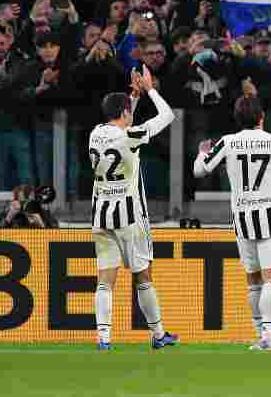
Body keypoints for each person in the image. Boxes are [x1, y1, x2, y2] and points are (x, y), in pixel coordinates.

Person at [193, 95, 271, 351]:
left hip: (243, 217)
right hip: (270, 215)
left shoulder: (228, 142)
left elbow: (199, 170)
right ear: (262, 117)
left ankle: (260, 333)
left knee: (253, 279)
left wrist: (202, 153)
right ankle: (268, 335)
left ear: (237, 119)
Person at [89, 66, 178, 351]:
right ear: (125, 113)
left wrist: (133, 99)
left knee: (105, 279)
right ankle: (158, 333)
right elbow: (167, 116)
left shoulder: (95, 133)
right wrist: (150, 90)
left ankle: (103, 338)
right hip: (129, 216)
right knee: (143, 275)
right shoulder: (130, 136)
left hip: (101, 214)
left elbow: (122, 126)